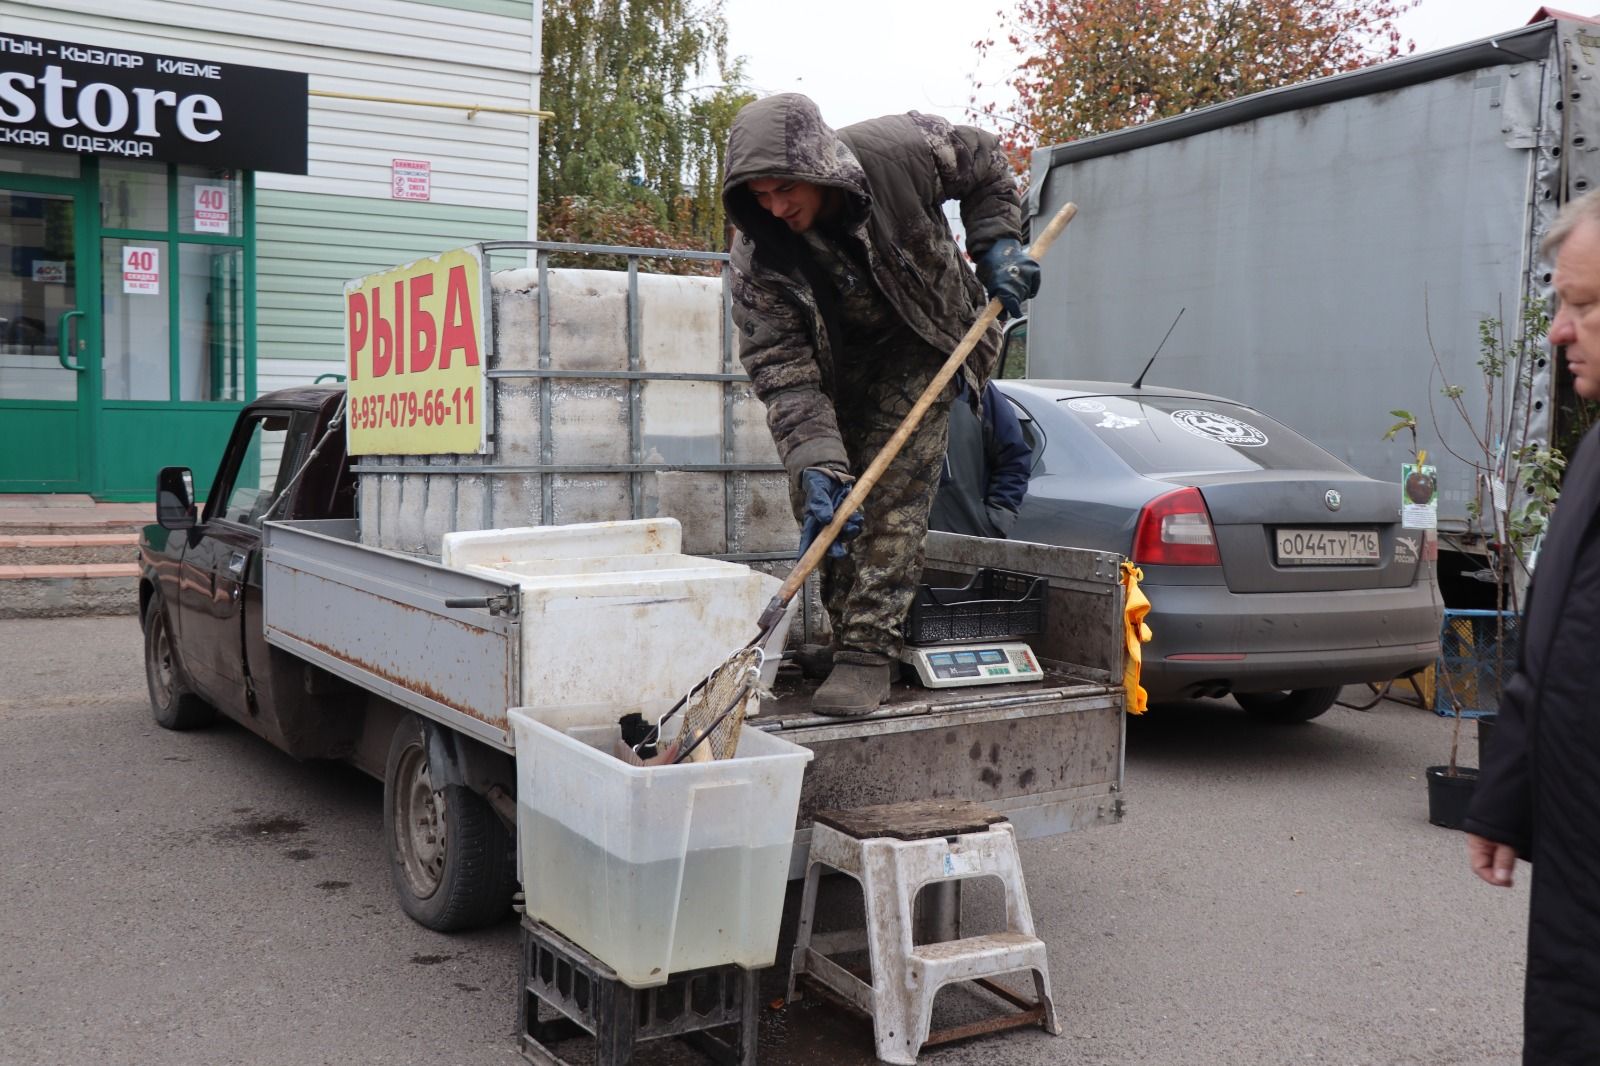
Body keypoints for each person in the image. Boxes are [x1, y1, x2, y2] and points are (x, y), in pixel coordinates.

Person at [722, 93, 1039, 716]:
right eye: (760, 195)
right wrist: (815, 461)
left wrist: (998, 241)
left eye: (786, 187)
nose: (777, 206)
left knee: (893, 484)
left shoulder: (899, 152)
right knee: (828, 500)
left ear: (818, 165)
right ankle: (850, 636)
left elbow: (983, 160)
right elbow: (782, 370)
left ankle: (869, 651)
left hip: (928, 337)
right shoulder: (759, 259)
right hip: (836, 369)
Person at [1462, 186, 1600, 1062]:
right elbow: (1550, 639)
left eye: (1583, 305)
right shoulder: (1595, 451)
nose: (1557, 331)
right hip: (1578, 895)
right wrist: (1506, 793)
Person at [928, 377, 1033, 539]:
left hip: (962, 542)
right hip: (894, 548)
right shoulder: (885, 378)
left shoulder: (971, 387)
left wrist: (996, 521)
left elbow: (1014, 458)